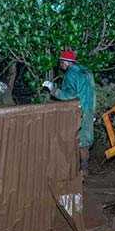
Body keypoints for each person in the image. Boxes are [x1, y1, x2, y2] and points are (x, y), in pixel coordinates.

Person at [42, 49, 96, 178]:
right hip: (88, 109)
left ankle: (75, 172)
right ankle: (84, 169)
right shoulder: (87, 71)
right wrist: (93, 112)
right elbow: (93, 92)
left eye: (61, 61)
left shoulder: (71, 74)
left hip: (77, 111)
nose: (60, 64)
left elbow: (69, 95)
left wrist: (53, 89)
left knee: (73, 141)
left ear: (66, 62)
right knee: (85, 142)